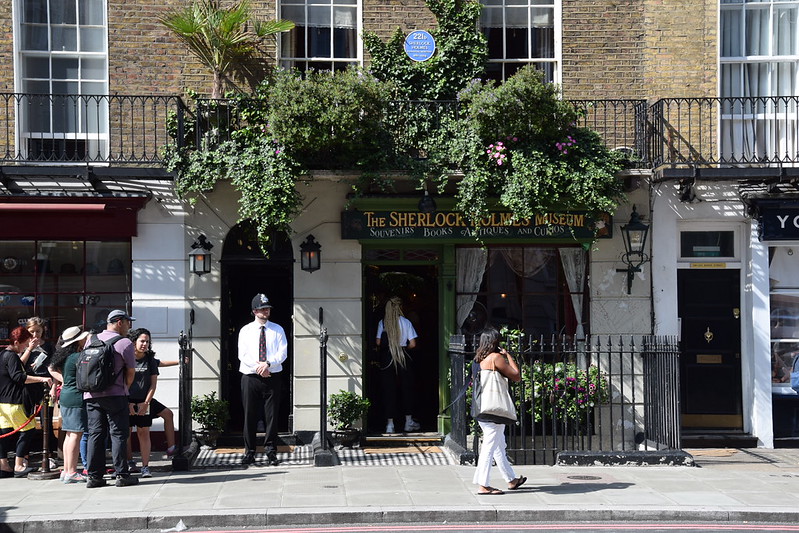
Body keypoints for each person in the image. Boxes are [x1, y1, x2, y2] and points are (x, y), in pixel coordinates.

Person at [84, 310, 139, 488]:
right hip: (115, 394)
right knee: (118, 434)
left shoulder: (91, 340)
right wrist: (125, 387)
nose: (129, 326)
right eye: (128, 322)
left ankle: (94, 477)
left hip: (91, 394)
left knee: (95, 434)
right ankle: (122, 474)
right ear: (119, 322)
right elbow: (130, 372)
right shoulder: (124, 343)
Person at [471, 326, 526, 495]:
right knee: (489, 447)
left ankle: (511, 479)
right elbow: (516, 376)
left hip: (483, 407)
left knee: (499, 445)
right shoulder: (496, 358)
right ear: (495, 342)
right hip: (494, 410)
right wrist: (508, 355)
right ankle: (483, 485)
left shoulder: (477, 360)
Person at [238, 293, 287, 466]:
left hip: (272, 376)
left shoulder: (278, 329)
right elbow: (243, 355)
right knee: (249, 415)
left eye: (267, 309)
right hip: (250, 377)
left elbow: (282, 353)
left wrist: (268, 364)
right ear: (254, 311)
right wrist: (259, 368)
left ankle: (271, 451)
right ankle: (249, 451)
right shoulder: (245, 330)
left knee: (271, 416)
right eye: (262, 309)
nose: (266, 311)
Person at [0, 326, 52, 478]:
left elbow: (16, 367)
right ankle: (18, 465)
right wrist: (41, 378)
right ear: (17, 342)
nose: (25, 347)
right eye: (24, 344)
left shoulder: (3, 354)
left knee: (5, 433)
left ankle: (4, 466)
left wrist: (29, 349)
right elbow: (18, 376)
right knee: (28, 430)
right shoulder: (12, 356)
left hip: (3, 402)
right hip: (14, 402)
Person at [48, 326, 90, 484]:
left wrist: (64, 381)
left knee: (69, 434)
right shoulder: (77, 357)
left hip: (66, 397)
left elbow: (51, 368)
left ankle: (67, 470)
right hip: (75, 398)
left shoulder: (66, 356)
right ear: (77, 340)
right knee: (75, 435)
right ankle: (71, 472)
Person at [376, 296, 420, 433]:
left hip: (387, 357)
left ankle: (390, 425)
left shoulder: (383, 322)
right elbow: (413, 344)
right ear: (400, 307)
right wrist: (403, 348)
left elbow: (378, 342)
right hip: (403, 355)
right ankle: (408, 422)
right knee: (407, 388)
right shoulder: (406, 322)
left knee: (389, 390)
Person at [126, 328, 159, 478]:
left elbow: (153, 384)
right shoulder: (127, 357)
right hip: (127, 400)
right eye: (142, 341)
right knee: (126, 433)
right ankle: (129, 462)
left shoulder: (150, 359)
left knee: (144, 432)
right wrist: (127, 402)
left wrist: (146, 403)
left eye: (147, 341)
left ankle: (145, 466)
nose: (145, 344)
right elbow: (122, 381)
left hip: (143, 401)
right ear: (134, 342)